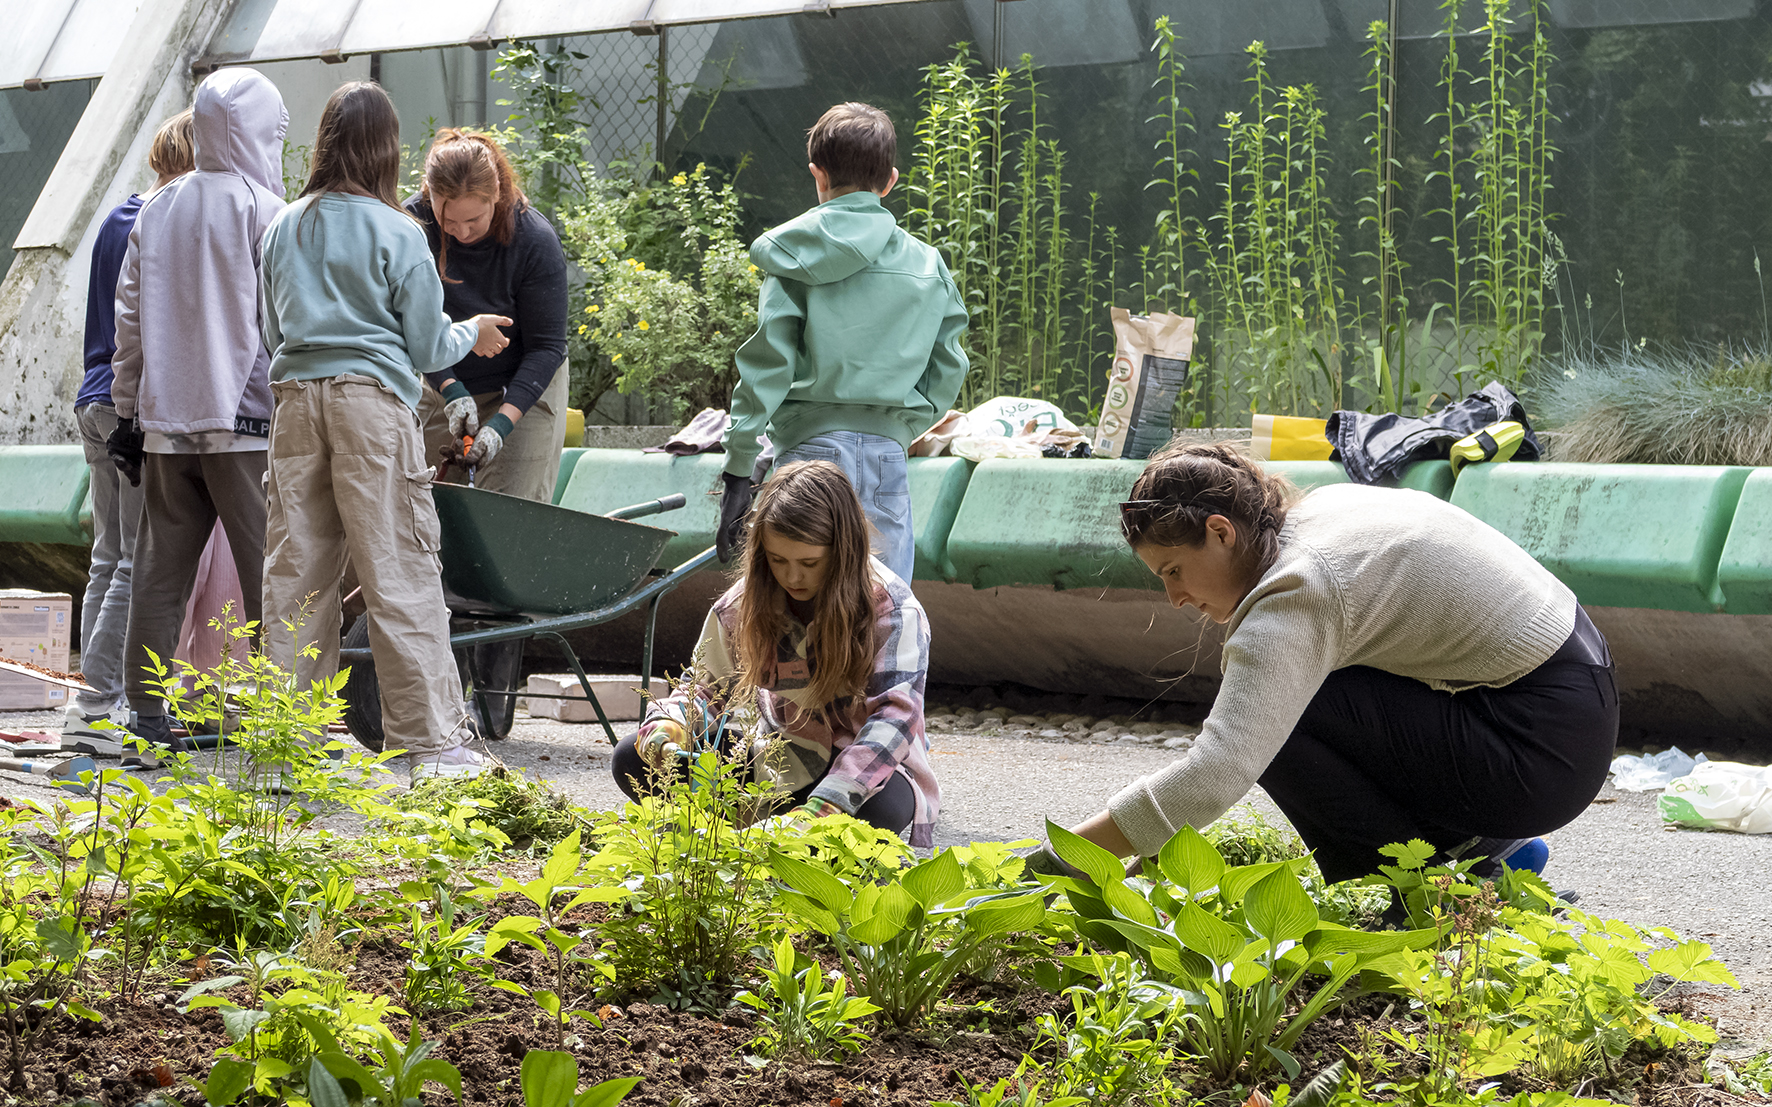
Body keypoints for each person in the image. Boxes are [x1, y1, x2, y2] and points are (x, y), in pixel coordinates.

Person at [1042, 443, 1616, 886]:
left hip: (1539, 749)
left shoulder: (1299, 589)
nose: (1175, 598)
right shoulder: (1317, 511)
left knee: (1280, 721)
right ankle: (1485, 849)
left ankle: (1409, 896)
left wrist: (1056, 860)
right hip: (1569, 701)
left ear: (1220, 532)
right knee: (1302, 691)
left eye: (1173, 571)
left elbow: (1214, 774)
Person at [257, 81, 511, 780]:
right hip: (370, 408)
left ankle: (286, 748)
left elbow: (269, 331)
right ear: (389, 151)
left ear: (324, 141)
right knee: (398, 567)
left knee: (296, 576)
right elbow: (429, 346)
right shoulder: (397, 229)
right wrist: (474, 331)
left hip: (296, 405)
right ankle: (429, 744)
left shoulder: (282, 225)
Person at [614, 460, 939, 846]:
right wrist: (671, 726)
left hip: (863, 771)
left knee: (876, 812)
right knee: (632, 758)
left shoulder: (893, 610)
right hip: (779, 761)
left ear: (843, 552)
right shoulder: (743, 605)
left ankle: (789, 837)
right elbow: (705, 687)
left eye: (810, 563)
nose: (792, 577)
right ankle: (746, 842)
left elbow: (893, 719)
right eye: (778, 560)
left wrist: (830, 802)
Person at [109, 69, 288, 761]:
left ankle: (145, 716)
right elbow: (276, 325)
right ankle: (286, 723)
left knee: (158, 571)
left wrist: (130, 410)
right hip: (242, 424)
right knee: (272, 578)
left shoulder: (158, 207)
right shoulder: (264, 210)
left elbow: (131, 321)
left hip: (164, 424)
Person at [715, 102, 970, 583]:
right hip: (886, 458)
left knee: (796, 609)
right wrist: (899, 423)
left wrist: (738, 468)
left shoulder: (793, 258)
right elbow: (949, 365)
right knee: (881, 609)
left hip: (806, 457)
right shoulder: (927, 264)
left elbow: (767, 365)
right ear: (890, 180)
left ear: (818, 175)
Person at [63, 109, 196, 756]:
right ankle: (101, 706)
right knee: (133, 566)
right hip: (130, 409)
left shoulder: (120, 215)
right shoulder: (165, 221)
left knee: (106, 558)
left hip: (93, 401)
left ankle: (91, 701)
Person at [405, 129, 569, 503]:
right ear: (429, 195)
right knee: (425, 505)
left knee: (509, 512)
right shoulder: (411, 225)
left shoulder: (535, 241)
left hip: (524, 380)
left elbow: (546, 348)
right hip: (442, 377)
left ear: (496, 195)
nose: (461, 232)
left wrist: (500, 425)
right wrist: (449, 389)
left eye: (473, 220)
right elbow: (410, 325)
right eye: (448, 221)